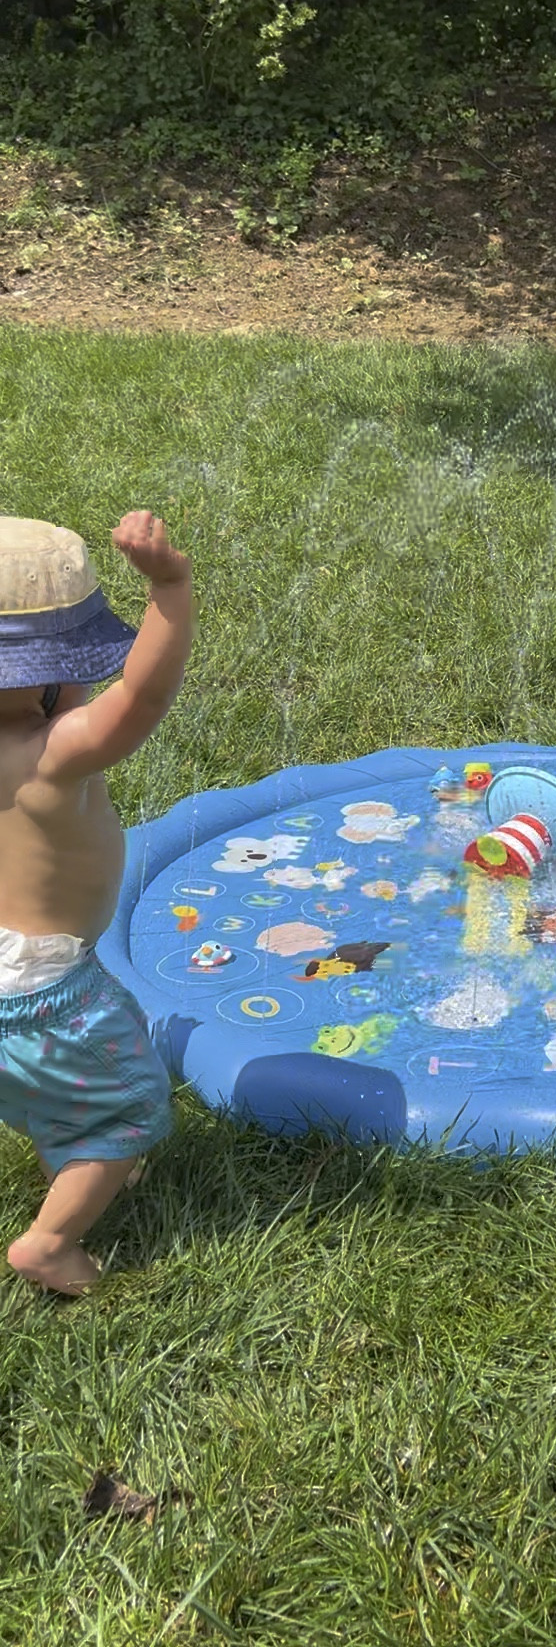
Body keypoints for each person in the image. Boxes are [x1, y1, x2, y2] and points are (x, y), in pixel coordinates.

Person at [0, 512, 194, 1295]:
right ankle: (51, 1242)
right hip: (43, 993)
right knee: (129, 1110)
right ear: (48, 678)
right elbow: (142, 697)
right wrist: (170, 588)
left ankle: (72, 1147)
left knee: (67, 1074)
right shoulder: (52, 753)